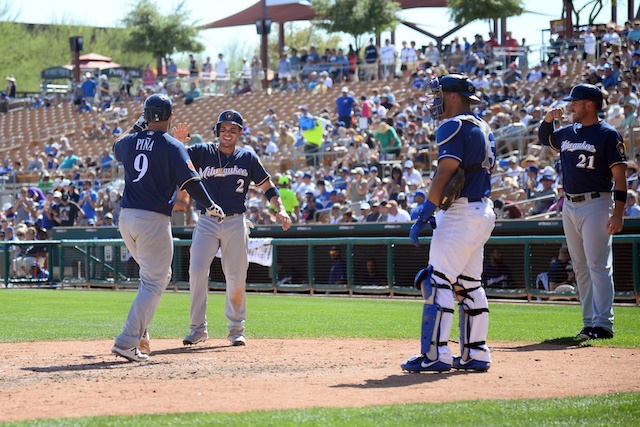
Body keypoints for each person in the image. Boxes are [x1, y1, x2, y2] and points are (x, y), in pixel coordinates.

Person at [110, 94, 224, 362]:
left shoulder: (130, 141)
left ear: (146, 116)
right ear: (171, 118)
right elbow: (191, 182)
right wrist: (210, 204)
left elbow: (115, 146)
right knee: (155, 280)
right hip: (152, 220)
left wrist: (139, 126)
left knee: (153, 277)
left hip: (126, 218)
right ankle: (128, 340)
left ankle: (141, 335)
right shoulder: (173, 145)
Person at [403, 74, 496, 373]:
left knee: (437, 281)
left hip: (459, 213)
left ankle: (436, 355)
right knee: (469, 285)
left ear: (453, 97)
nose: (436, 101)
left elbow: (444, 175)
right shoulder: (483, 125)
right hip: (481, 211)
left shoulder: (453, 124)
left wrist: (425, 213)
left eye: (440, 95)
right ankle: (476, 353)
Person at [183, 109, 291, 348]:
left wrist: (280, 208)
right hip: (207, 220)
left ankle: (236, 330)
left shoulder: (247, 157)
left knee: (236, 276)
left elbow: (267, 185)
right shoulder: (203, 152)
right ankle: (197, 329)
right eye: (223, 129)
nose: (227, 133)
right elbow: (177, 157)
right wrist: (179, 141)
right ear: (217, 131)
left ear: (240, 133)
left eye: (232, 130)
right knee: (197, 270)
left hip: (235, 222)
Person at [538, 83, 627, 340]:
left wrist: (618, 213)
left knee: (597, 264)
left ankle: (603, 324)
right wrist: (547, 119)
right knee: (580, 266)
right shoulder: (569, 132)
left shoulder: (608, 134)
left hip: (597, 203)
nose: (570, 107)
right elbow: (545, 138)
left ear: (589, 104)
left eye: (575, 102)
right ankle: (588, 323)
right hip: (570, 204)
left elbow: (619, 177)